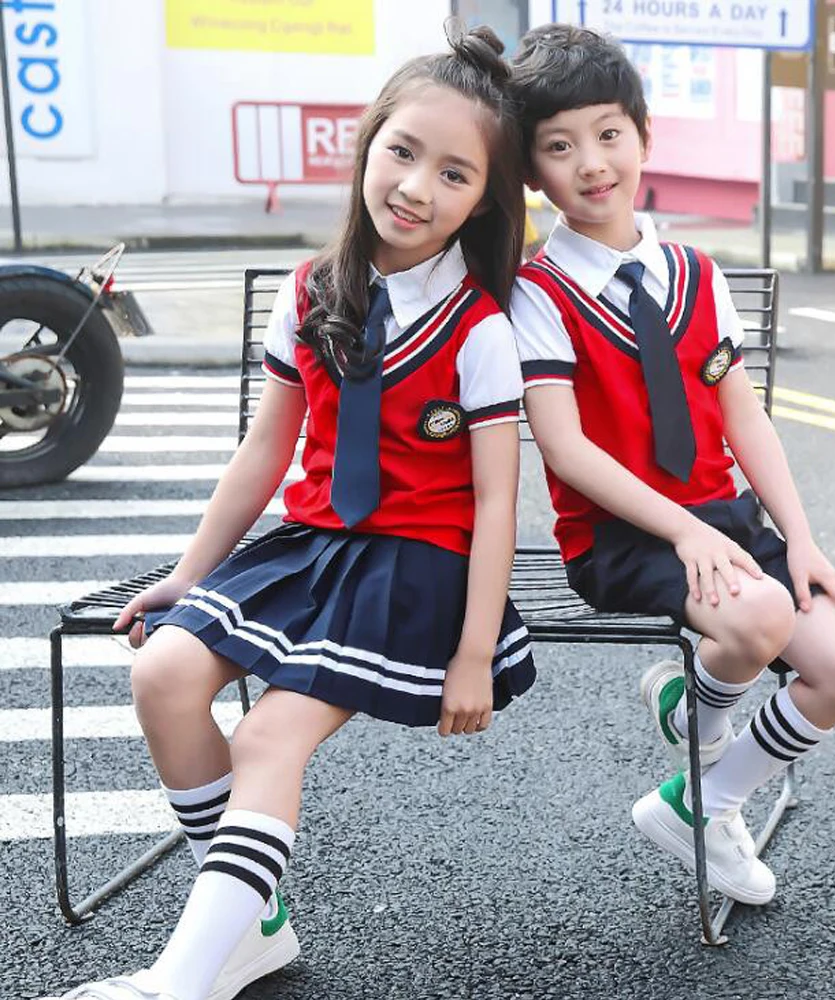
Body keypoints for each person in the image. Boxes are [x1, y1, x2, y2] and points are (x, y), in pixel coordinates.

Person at [40, 21, 535, 1000]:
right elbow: (265, 450)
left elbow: (495, 498)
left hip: (415, 566)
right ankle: (251, 930)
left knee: (269, 736)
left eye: (453, 174)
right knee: (165, 673)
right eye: (402, 151)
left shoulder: (479, 327)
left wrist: (475, 651)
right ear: (368, 143)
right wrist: (188, 576)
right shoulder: (310, 291)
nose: (415, 187)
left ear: (484, 200)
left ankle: (180, 980)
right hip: (311, 547)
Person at [508, 24, 835, 907]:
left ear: (644, 135)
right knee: (757, 613)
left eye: (609, 133)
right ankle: (696, 720)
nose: (591, 163)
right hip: (620, 536)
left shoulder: (697, 274)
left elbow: (741, 415)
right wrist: (683, 533)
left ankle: (701, 798)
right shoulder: (537, 293)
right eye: (559, 147)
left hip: (723, 521)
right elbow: (565, 448)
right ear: (530, 173)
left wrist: (801, 539)